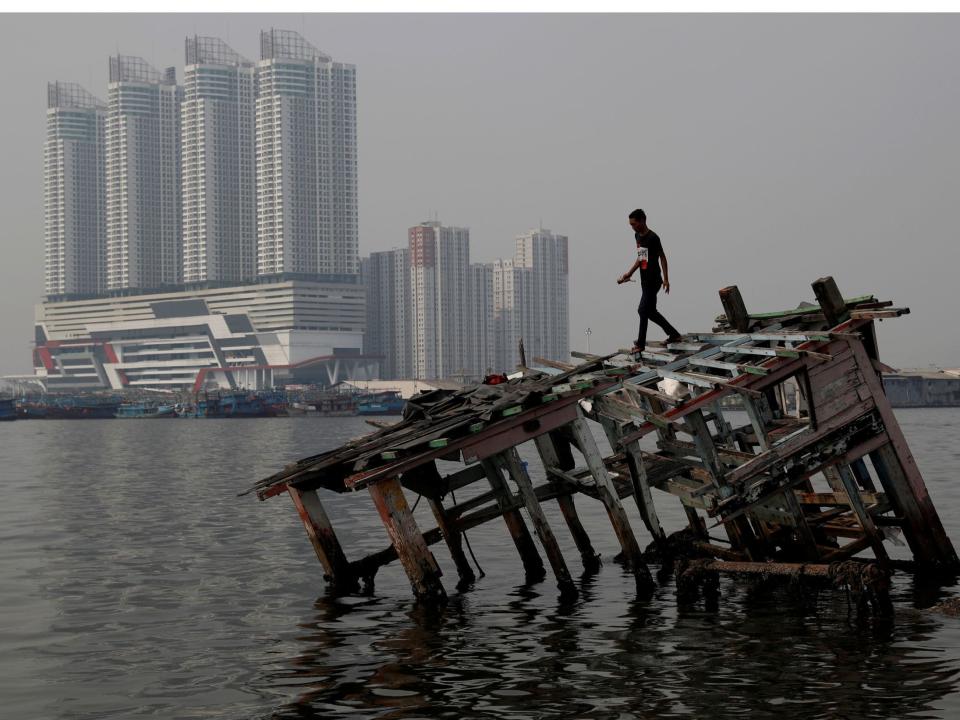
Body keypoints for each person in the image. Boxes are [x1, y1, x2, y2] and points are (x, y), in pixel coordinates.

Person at [617, 208, 682, 353]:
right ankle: (674, 334)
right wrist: (629, 274)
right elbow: (642, 258)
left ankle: (640, 345)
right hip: (644, 280)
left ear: (642, 220)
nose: (632, 227)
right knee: (650, 311)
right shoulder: (637, 236)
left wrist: (666, 279)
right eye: (631, 225)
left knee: (642, 310)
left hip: (654, 280)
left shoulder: (653, 237)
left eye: (634, 224)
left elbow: (662, 257)